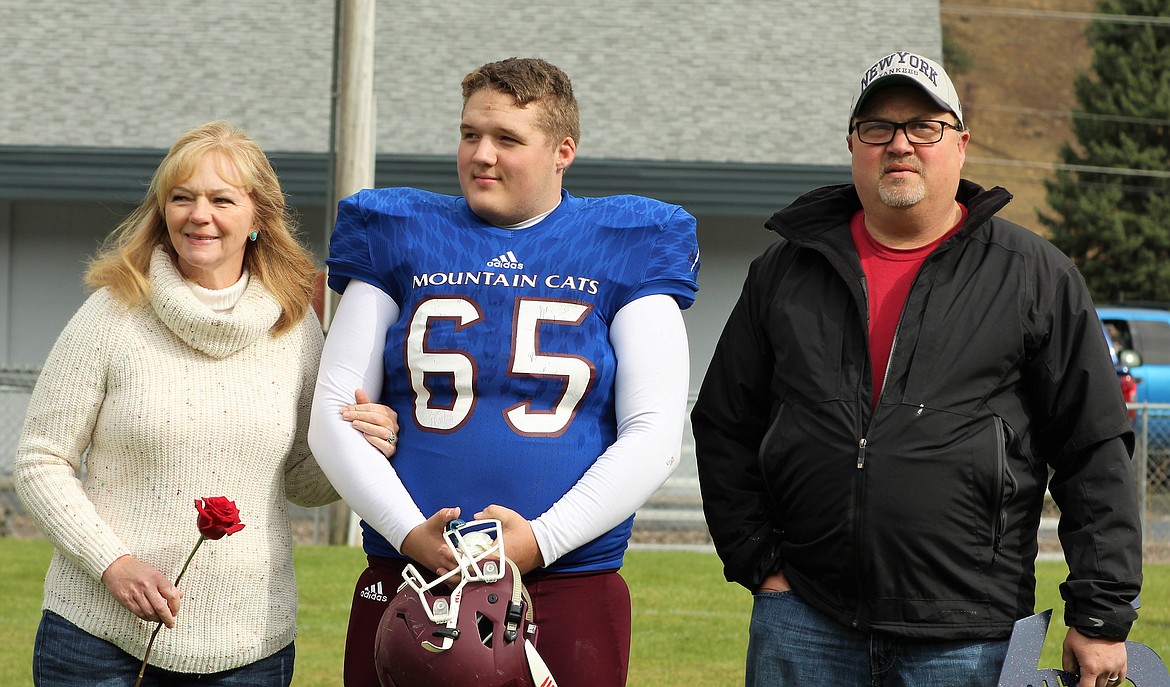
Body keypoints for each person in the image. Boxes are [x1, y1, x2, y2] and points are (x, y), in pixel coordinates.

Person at [691, 51, 1143, 687]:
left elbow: (1092, 448)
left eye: (924, 127)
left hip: (970, 634)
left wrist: (1099, 614)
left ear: (960, 145)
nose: (899, 144)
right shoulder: (785, 271)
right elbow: (723, 422)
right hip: (806, 621)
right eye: (878, 127)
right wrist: (756, 558)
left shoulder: (1033, 276)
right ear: (853, 145)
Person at [308, 56, 700, 687]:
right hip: (410, 576)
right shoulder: (400, 233)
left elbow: (654, 434)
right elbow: (330, 415)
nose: (481, 155)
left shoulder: (626, 242)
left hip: (568, 576)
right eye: (470, 135)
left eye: (508, 139)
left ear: (562, 151)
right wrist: (412, 535)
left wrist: (540, 541)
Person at [14, 120, 395, 686]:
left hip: (250, 647)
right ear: (161, 211)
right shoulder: (110, 315)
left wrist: (363, 445)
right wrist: (111, 564)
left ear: (258, 216)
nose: (200, 215)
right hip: (99, 641)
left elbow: (302, 482)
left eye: (222, 199)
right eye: (182, 198)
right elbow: (40, 460)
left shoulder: (295, 329)